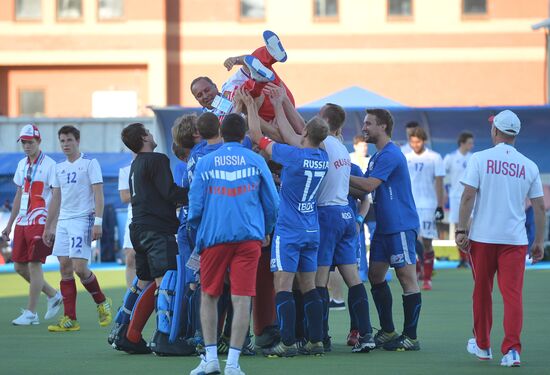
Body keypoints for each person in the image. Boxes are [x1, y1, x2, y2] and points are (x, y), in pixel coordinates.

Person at [238, 87, 329, 356]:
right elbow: (293, 136)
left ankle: (286, 343)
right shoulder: (321, 156)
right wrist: (279, 104)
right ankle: (315, 340)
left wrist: (250, 107)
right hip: (312, 228)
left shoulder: (293, 156)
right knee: (310, 286)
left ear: (306, 135)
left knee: (284, 285)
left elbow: (257, 136)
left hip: (289, 230)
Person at [187, 113, 279, 375]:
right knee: (242, 298)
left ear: (221, 131)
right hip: (249, 237)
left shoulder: (205, 162)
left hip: (214, 237)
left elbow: (195, 206)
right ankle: (233, 364)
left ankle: (212, 358)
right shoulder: (256, 160)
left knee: (209, 295)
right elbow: (272, 202)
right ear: (245, 135)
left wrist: (198, 231)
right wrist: (266, 229)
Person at [456, 110, 545, 368]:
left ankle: (483, 346)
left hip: (483, 238)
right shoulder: (529, 165)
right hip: (515, 241)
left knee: (482, 292)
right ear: (515, 134)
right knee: (513, 295)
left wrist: (462, 230)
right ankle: (512, 350)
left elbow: (467, 196)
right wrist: (538, 241)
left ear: (495, 131)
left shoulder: (480, 159)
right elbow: (539, 207)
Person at [110, 122, 189, 354]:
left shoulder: (135, 165)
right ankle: (165, 337)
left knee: (143, 283)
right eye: (149, 131)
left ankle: (126, 333)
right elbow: (169, 192)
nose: (152, 134)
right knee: (165, 284)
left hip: (139, 228)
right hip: (157, 230)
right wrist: (199, 191)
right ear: (145, 137)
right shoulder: (157, 159)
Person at [350, 109, 422, 351]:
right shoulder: (378, 156)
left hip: (400, 225)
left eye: (369, 123)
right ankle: (389, 331)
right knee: (375, 276)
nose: (364, 128)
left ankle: (411, 336)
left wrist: (338, 175)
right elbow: (363, 192)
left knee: (407, 279)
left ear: (382, 126)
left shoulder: (391, 154)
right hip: (384, 227)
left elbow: (369, 185)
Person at [43, 125, 112, 332]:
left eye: (69, 140)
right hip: (63, 221)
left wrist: (98, 222)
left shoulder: (90, 163)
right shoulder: (58, 168)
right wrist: (49, 226)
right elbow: (56, 197)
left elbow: (98, 193)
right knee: (64, 268)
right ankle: (70, 319)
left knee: (80, 269)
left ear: (77, 141)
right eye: (62, 141)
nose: (65, 144)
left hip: (83, 219)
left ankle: (101, 301)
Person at [2, 124, 62, 325]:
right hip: (23, 220)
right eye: (24, 143)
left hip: (41, 219)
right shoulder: (22, 164)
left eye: (30, 142)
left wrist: (50, 225)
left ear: (39, 141)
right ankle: (53, 294)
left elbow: (56, 196)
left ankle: (31, 313)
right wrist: (10, 225)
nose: (27, 146)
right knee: (19, 266)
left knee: (34, 264)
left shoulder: (51, 165)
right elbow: (20, 194)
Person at [405, 127, 445, 291]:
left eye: (418, 141)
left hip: (429, 205)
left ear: (424, 141)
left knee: (427, 242)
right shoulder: (405, 158)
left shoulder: (434, 158)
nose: (415, 144)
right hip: (411, 205)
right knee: (412, 241)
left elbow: (439, 183)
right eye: (412, 141)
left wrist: (440, 205)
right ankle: (419, 271)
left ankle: (427, 279)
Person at [443, 131, 474, 268]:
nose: (471, 145)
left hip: (471, 196)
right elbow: (440, 174)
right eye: (469, 143)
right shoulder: (450, 158)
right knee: (458, 228)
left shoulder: (473, 158)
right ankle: (462, 258)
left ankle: (471, 257)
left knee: (470, 227)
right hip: (455, 197)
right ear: (462, 143)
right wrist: (443, 191)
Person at [118, 159, 136, 288]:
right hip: (134, 215)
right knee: (130, 257)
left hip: (154, 214)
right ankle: (131, 300)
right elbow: (124, 197)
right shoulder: (125, 170)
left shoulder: (157, 162)